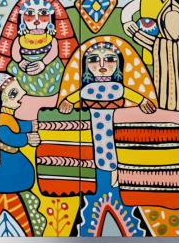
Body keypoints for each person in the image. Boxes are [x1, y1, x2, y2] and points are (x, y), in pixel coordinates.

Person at [58, 37, 157, 178]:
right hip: (93, 124)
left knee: (116, 153)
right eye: (94, 60)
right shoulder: (88, 89)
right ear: (86, 65)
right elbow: (81, 94)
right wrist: (68, 101)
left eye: (110, 59)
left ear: (118, 63)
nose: (101, 64)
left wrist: (142, 101)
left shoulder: (117, 88)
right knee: (97, 153)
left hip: (117, 125)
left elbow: (124, 92)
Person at [0, 0, 77, 99]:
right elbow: (15, 52)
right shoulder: (20, 39)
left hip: (47, 67)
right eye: (30, 14)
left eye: (43, 13)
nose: (36, 21)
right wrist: (20, 62)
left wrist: (43, 63)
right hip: (24, 66)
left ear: (51, 19)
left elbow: (54, 52)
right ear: (22, 19)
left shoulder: (51, 39)